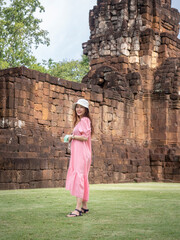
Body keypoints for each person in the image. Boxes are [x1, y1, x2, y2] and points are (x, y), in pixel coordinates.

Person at [66, 98, 93, 217]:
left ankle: (77, 209)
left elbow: (85, 137)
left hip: (81, 153)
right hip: (79, 153)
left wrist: (73, 137)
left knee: (80, 177)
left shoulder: (85, 120)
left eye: (81, 107)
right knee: (82, 177)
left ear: (85, 109)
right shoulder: (81, 121)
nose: (78, 109)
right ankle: (84, 206)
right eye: (77, 107)